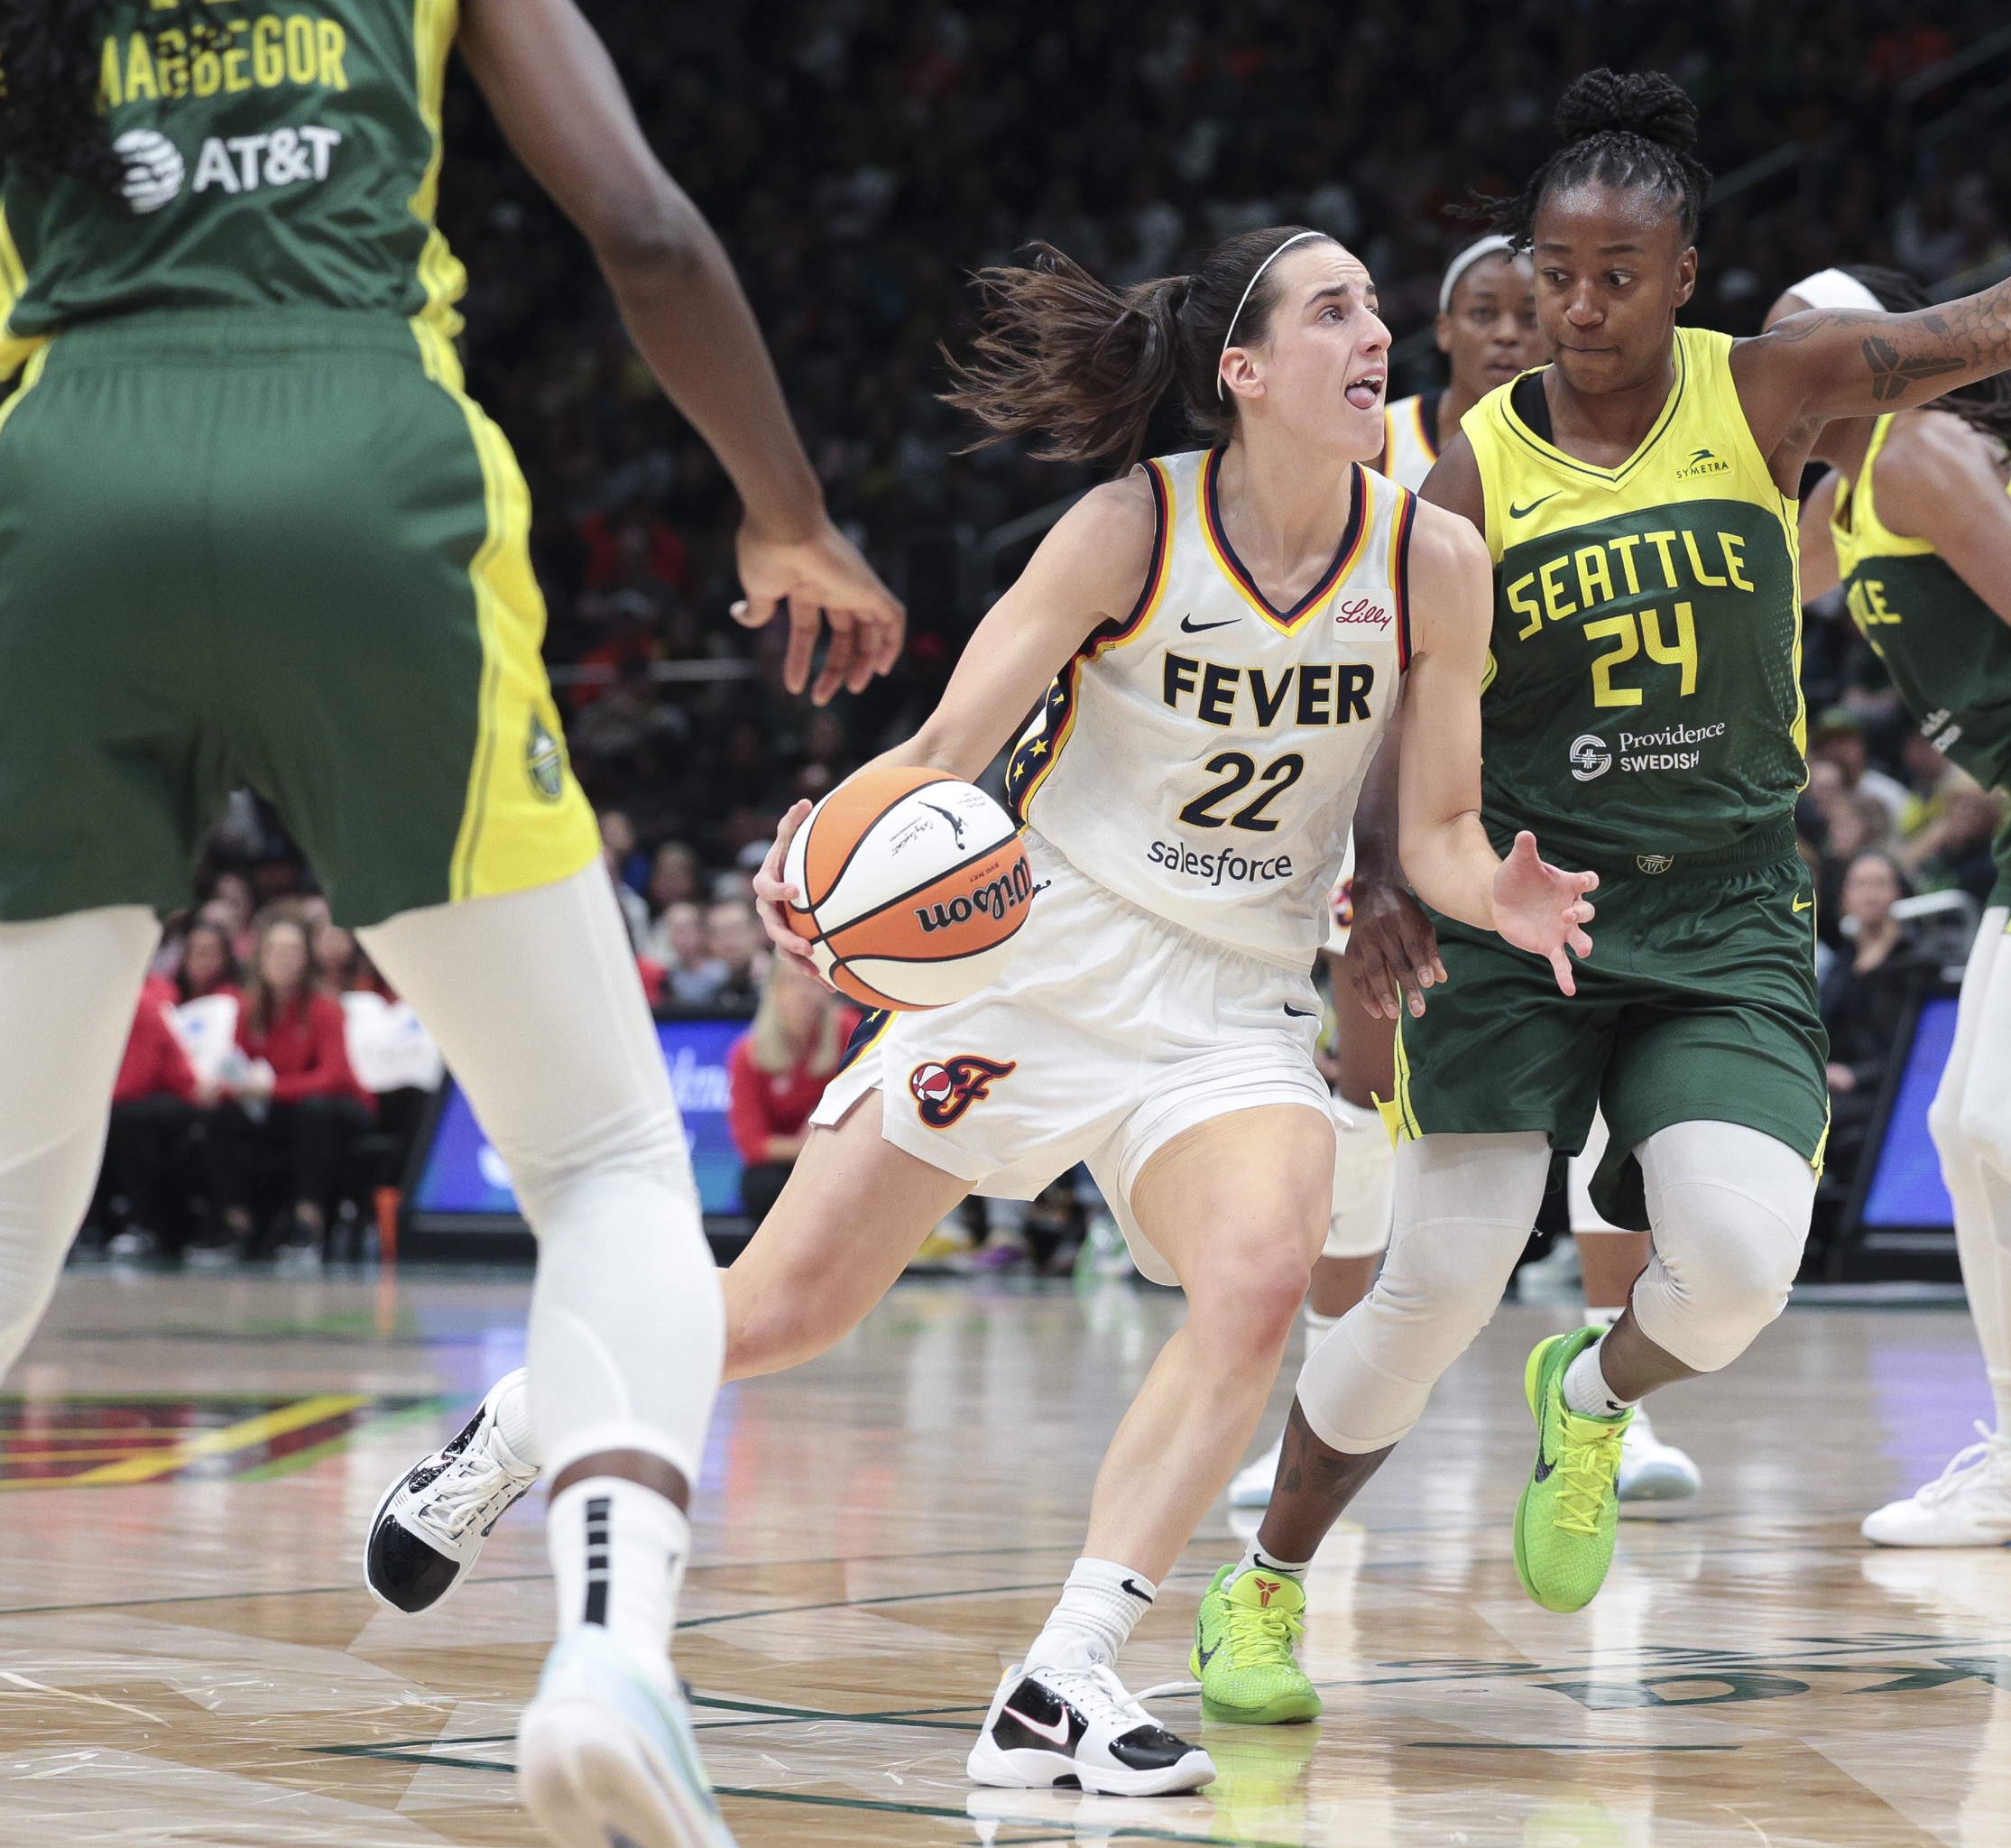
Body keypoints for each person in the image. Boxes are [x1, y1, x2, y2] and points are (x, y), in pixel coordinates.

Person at [367, 222, 1597, 1796]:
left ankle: (1063, 1671)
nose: (1380, 339)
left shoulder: (1431, 557)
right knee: (790, 1307)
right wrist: (815, 872)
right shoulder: (1123, 528)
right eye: (1337, 312)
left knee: (1259, 1272)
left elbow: (1429, 828)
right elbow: (952, 744)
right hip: (1036, 959)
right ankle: (529, 1418)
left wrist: (1498, 887)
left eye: (1374, 312)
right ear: (1242, 369)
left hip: (1231, 996)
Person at [1238, 51, 2011, 1669]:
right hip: (1530, 912)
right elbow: (1407, 702)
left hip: (1720, 913)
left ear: (1685, 281)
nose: (1580, 310)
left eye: (1617, 278)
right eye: (1555, 278)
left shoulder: (1774, 391)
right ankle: (1265, 1583)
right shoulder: (1471, 467)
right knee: (1434, 1285)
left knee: (1730, 1276)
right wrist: (1381, 888)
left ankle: (1588, 1395)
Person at [0, 0, 906, 1835]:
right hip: (360, 469)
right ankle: (606, 1657)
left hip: (61, 483)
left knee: (16, 1164)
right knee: (600, 1163)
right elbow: (643, 230)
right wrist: (784, 511)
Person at [1228, 231, 1545, 1510]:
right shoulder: (1376, 449)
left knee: (1575, 1122)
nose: (1516, 330)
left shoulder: (1584, 448)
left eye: (1534, 309)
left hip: (1521, 807)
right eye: (1489, 309)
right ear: (1447, 330)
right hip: (1360, 809)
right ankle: (1319, 1403)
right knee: (1364, 1110)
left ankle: (1603, 1420)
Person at [201, 912, 372, 1259]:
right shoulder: (249, 1010)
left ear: (306, 958)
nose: (284, 958)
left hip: (341, 1109)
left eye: (293, 950)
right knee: (218, 1118)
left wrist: (270, 1089)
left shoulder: (325, 1008)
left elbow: (332, 1078)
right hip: (284, 1111)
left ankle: (309, 1223)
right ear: (260, 957)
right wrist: (222, 1088)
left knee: (313, 1111)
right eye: (276, 950)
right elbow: (239, 1069)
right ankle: (237, 1224)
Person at [1374, 236, 1539, 489]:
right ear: (1444, 330)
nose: (1507, 334)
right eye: (1483, 312)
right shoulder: (1381, 438)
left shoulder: (1581, 446)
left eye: (1529, 317)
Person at [1819, 847, 1936, 1194]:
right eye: (1860, 884)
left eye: (1880, 884)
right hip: (1835, 1084)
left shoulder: (1917, 960)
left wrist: (1853, 1075)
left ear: (1897, 892)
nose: (1869, 894)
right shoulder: (1845, 957)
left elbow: (1915, 1047)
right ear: (1844, 896)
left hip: (1887, 1088)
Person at [725, 960, 853, 1223]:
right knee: (760, 1183)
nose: (803, 992)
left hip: (841, 1155)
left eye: (811, 981)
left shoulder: (849, 1031)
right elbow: (753, 1144)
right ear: (773, 990)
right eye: (792, 982)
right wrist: (804, 1145)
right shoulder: (748, 1054)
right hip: (789, 1162)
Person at [103, 975, 217, 1261]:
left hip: (175, 1097)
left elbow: (137, 1080)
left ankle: (145, 1222)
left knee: (126, 1120)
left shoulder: (141, 1006)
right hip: (133, 1100)